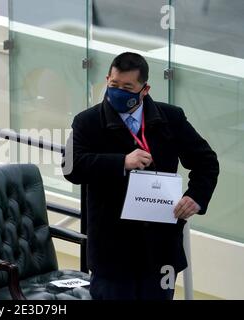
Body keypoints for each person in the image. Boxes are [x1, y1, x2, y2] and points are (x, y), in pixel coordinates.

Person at [62, 52, 219, 300]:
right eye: (113, 85)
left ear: (144, 89)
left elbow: (206, 161)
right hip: (112, 250)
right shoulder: (87, 121)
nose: (118, 92)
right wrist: (121, 162)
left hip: (160, 248)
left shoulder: (171, 118)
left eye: (127, 87)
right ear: (107, 79)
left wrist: (196, 197)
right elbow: (71, 167)